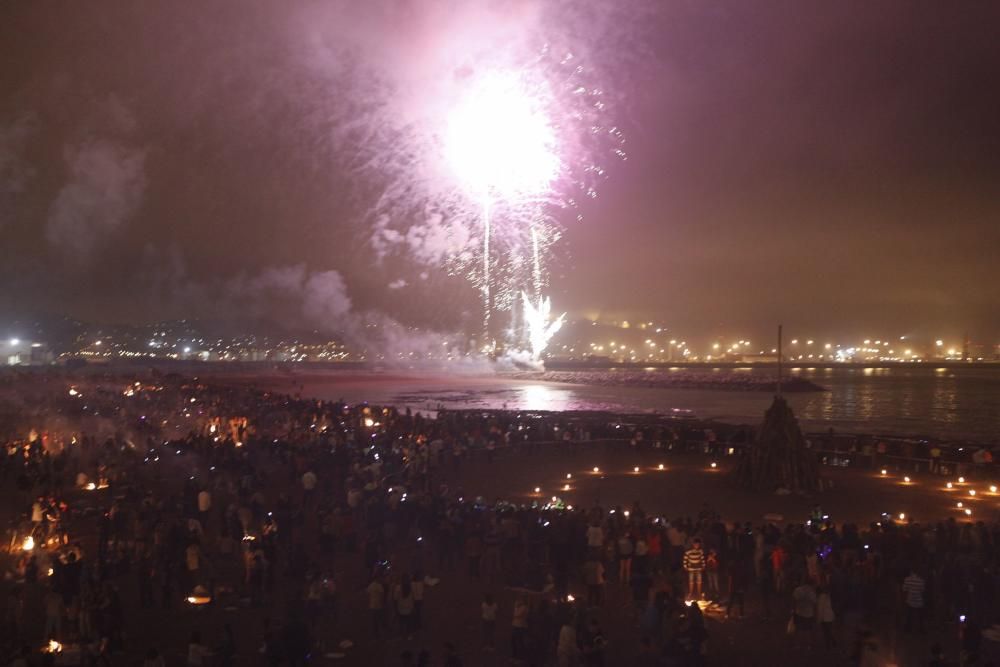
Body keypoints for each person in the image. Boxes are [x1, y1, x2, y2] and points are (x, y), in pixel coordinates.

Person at [901, 569, 925, 633]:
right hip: (919, 601)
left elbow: (904, 590)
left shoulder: (907, 579)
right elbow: (922, 591)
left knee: (909, 615)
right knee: (920, 616)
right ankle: (921, 629)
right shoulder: (921, 580)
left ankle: (907, 628)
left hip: (910, 600)